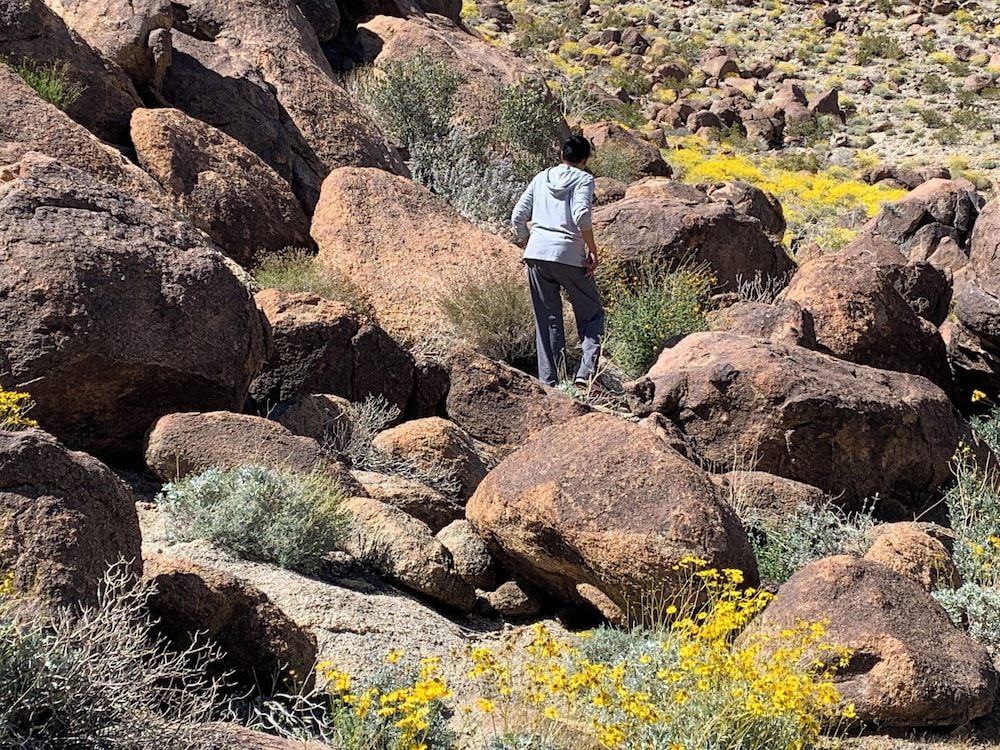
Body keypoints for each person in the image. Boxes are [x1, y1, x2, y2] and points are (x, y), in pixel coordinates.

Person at [511, 135, 607, 391]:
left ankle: (550, 385)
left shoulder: (541, 177)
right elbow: (582, 215)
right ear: (584, 160)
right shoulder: (583, 179)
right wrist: (592, 249)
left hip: (537, 255)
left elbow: (518, 215)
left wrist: (527, 239)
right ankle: (586, 375)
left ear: (561, 155)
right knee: (592, 314)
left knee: (547, 319)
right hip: (570, 256)